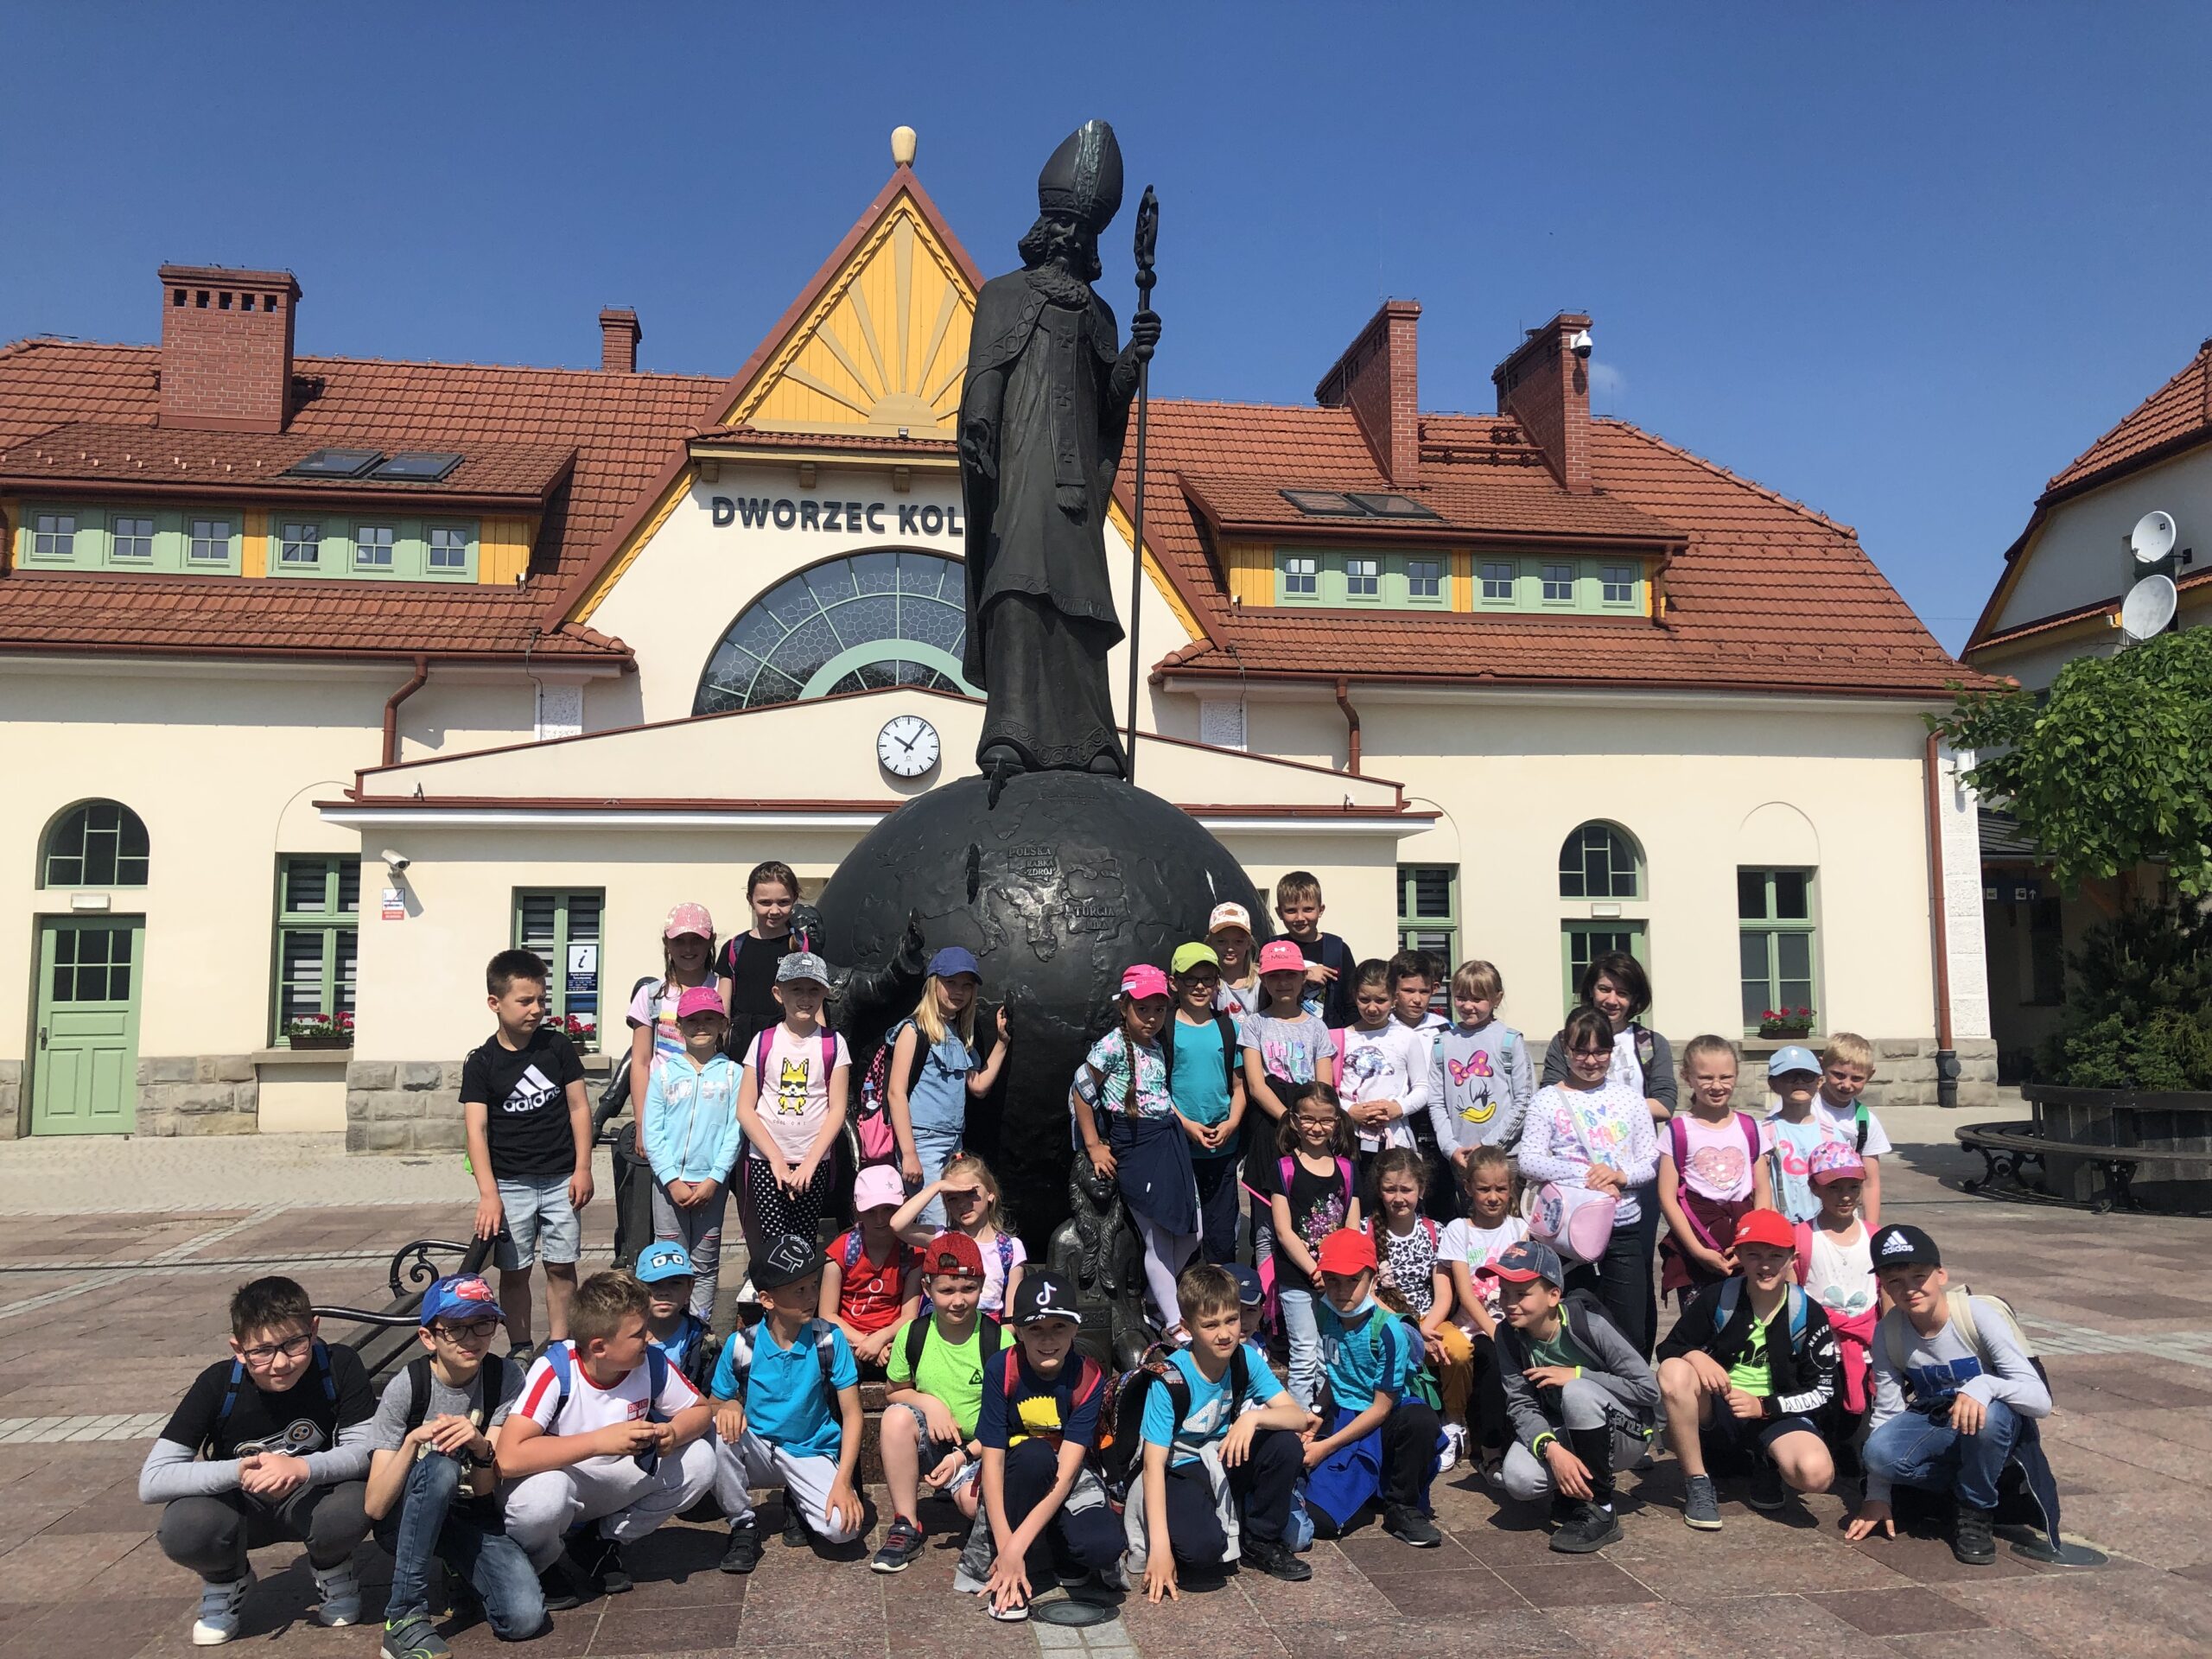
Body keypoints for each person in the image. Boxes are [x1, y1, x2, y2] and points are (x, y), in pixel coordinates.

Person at [138, 1275, 376, 1645]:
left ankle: (332, 1566)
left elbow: (366, 1451)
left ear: (314, 1329)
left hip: (313, 1497)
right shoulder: (217, 1384)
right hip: (242, 1503)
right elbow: (153, 1479)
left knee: (358, 1502)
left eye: (294, 1344)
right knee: (185, 1527)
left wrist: (302, 1467)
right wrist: (237, 1470)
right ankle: (226, 1579)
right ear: (238, 1349)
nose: (280, 1363)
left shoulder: (338, 1365)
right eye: (261, 1351)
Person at [499, 1271, 715, 1606]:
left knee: (700, 1459)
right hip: (563, 1480)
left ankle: (600, 1541)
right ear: (599, 1347)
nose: (649, 1339)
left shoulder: (649, 1362)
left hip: (613, 1479)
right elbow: (509, 1457)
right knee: (542, 1500)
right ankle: (541, 1563)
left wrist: (673, 1432)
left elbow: (700, 1410)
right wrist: (599, 1441)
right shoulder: (556, 1369)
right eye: (638, 1333)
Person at [1847, 1225, 2057, 1566]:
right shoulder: (1888, 1332)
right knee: (1878, 1453)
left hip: (1994, 1423)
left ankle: (1976, 1508)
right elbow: (1886, 1412)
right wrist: (1877, 1495)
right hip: (1936, 1421)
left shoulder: (1977, 1315)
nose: (1909, 1289)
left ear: (1941, 1275)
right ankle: (1969, 1486)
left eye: (1919, 1276)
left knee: (1988, 1417)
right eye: (1895, 1281)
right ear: (1883, 1286)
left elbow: (2040, 1401)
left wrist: (1985, 1386)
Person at [364, 1276, 543, 1659]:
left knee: (524, 1619)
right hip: (406, 1517)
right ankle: (404, 1616)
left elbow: (483, 1490)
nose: (471, 1339)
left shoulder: (505, 1377)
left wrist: (479, 1447)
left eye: (482, 1324)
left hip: (468, 1514)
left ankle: (457, 1566)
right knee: (441, 1469)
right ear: (429, 1338)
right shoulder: (408, 1386)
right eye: (456, 1328)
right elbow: (376, 1507)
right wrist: (412, 1443)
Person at [1126, 1264, 1316, 1597]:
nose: (1225, 1334)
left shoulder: (1245, 1360)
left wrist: (1252, 1419)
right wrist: (1160, 1549)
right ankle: (1201, 1521)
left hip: (1222, 1455)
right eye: (1210, 1325)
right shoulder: (1170, 1379)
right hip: (1180, 1467)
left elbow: (1297, 1417)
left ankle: (1261, 1539)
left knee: (1285, 1444)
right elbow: (1152, 1465)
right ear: (1187, 1327)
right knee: (1203, 1554)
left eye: (1231, 1320)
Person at [1656, 1209, 1840, 1530]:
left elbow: (1823, 1391)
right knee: (1674, 1371)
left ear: (1792, 1259)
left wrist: (1764, 1406)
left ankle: (1767, 1462)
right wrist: (1696, 1356)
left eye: (1775, 1256)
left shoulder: (1807, 1313)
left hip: (1777, 1412)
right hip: (1721, 1407)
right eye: (1754, 1255)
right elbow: (1669, 1348)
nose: (1765, 1265)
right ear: (1738, 1255)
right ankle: (1697, 1481)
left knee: (1816, 1474)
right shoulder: (1719, 1297)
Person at [1541, 950, 1675, 1358]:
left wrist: (1616, 1105)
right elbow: (1550, 1092)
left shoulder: (1649, 1044)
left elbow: (1665, 1102)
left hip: (1631, 1177)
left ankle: (1636, 1359)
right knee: (1576, 1264)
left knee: (1634, 1270)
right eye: (1604, 988)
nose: (1612, 999)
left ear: (1635, 999)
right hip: (1577, 1181)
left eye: (1622, 992)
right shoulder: (1564, 1039)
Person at [708, 1234, 867, 1573]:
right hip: (758, 1448)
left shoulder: (829, 1338)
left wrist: (843, 1481)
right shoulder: (741, 1345)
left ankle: (798, 1499)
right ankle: (743, 1523)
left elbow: (853, 1414)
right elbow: (713, 1404)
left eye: (814, 1286)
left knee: (843, 1531)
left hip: (811, 1449)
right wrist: (728, 1406)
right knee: (717, 1432)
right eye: (799, 1291)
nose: (811, 1297)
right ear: (767, 1300)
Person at [462, 950, 593, 1357]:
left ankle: (561, 1345)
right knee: (514, 1270)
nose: (536, 1009)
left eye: (541, 999)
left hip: (561, 1180)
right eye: (524, 1001)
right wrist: (489, 1194)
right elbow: (476, 1130)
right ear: (494, 1003)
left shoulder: (557, 1047)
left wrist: (583, 1168)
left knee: (561, 1266)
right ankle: (520, 1348)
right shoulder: (481, 1062)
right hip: (510, 1184)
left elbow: (579, 1108)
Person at [1490, 1240, 1659, 1554]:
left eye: (1522, 1294)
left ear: (1554, 1295)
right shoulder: (1507, 1335)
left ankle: (1601, 1509)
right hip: (1565, 1429)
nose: (1509, 1303)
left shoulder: (1589, 1325)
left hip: (1625, 1434)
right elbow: (1521, 1404)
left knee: (1577, 1392)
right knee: (1519, 1479)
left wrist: (1579, 1374)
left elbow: (1648, 1390)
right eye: (1504, 1292)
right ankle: (1573, 1491)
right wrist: (1552, 1450)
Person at [972, 1271, 1121, 1621]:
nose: (1048, 1339)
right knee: (1035, 1456)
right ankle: (1013, 1577)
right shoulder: (1001, 1368)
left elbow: (1067, 1473)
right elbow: (992, 1462)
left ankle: (1054, 1548)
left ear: (1075, 1328)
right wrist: (1009, 1547)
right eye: (1035, 1328)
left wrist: (1016, 1546)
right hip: (1018, 1473)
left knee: (1104, 1547)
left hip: (1065, 1475)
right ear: (1019, 1332)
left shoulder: (1088, 1376)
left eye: (1059, 1327)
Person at [1520, 1006, 1662, 1358]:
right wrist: (1586, 1176)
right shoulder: (1547, 1100)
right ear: (1566, 1049)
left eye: (1601, 1051)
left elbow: (1650, 1162)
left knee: (1630, 1329)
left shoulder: (1631, 1100)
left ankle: (1631, 1389)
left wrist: (1620, 1176)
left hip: (1622, 1228)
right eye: (1581, 1051)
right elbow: (1529, 1160)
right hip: (1567, 1232)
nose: (1591, 1060)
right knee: (1572, 1324)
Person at [1075, 963, 1200, 1341]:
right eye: (1142, 1008)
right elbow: (1081, 1090)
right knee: (1157, 1237)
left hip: (1168, 1141)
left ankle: (1153, 1298)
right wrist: (1094, 1145)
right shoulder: (1112, 1045)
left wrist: (1185, 1124)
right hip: (1136, 1143)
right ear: (1124, 1006)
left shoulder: (1156, 1045)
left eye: (1159, 1009)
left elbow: (1159, 1095)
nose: (1151, 1017)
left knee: (1192, 1231)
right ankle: (1173, 1321)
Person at [1300, 1228, 1445, 1548]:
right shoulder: (1326, 1314)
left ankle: (1402, 1507)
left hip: (1383, 1417)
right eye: (1333, 1280)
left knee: (1421, 1420)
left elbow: (1381, 1408)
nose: (1342, 1290)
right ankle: (1364, 1488)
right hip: (1344, 1415)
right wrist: (1316, 1412)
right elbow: (1336, 1370)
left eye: (1353, 1280)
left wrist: (1327, 1447)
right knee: (1320, 1521)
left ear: (1372, 1280)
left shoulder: (1389, 1331)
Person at [873, 1232, 998, 1573]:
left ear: (981, 1285)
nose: (958, 1301)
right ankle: (906, 1524)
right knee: (896, 1417)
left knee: (974, 1506)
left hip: (978, 1448)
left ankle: (968, 1501)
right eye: (947, 1290)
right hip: (932, 1440)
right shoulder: (913, 1334)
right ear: (927, 1289)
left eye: (968, 1289)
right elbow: (894, 1391)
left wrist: (967, 1455)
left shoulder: (997, 1340)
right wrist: (930, 1403)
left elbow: (1007, 1416)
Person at [732, 951, 851, 1262]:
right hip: (767, 1161)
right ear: (779, 993)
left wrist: (811, 1162)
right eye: (796, 989)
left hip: (813, 1161)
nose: (805, 998)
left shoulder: (834, 1044)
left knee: (805, 1240)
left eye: (813, 990)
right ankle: (776, 1292)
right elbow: (745, 1108)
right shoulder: (763, 1041)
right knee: (774, 1242)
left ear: (824, 994)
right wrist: (775, 1159)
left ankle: (802, 1291)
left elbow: (837, 1109)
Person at [885, 946, 1010, 1230]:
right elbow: (896, 1093)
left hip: (954, 1143)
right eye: (951, 982)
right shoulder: (914, 1030)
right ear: (933, 983)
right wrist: (909, 1153)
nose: (959, 991)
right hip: (922, 1141)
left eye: (966, 985)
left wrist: (1002, 1043)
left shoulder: (959, 1034)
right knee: (935, 1224)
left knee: (953, 1222)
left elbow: (978, 1086)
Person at [641, 985, 741, 1325]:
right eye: (693, 1020)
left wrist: (715, 1178)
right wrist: (671, 1180)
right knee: (670, 1259)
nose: (701, 1026)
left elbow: (734, 1132)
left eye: (709, 1019)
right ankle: (670, 1326)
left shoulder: (734, 1074)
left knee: (705, 1261)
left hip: (711, 1185)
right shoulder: (663, 1073)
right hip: (669, 1186)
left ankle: (700, 1327)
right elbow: (652, 1131)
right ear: (679, 1026)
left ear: (723, 1025)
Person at [1364, 1147, 1470, 1467]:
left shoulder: (1435, 1231)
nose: (1399, 1198)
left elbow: (1444, 1293)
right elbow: (1366, 1291)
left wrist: (1425, 1328)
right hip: (1386, 1320)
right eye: (1390, 1189)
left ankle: (1454, 1421)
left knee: (1459, 1349)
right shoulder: (1365, 1231)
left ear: (1421, 1190)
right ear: (1379, 1190)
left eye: (1406, 1189)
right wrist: (1410, 1330)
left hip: (1429, 1319)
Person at [1257, 1082, 1360, 1408]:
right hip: (1297, 1277)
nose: (1317, 1127)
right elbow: (1283, 1230)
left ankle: (1326, 1416)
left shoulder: (1347, 1169)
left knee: (1330, 1353)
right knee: (1303, 1353)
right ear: (1294, 1120)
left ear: (1337, 1122)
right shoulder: (1283, 1168)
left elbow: (1352, 1229)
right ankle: (1299, 1423)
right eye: (1309, 1119)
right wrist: (1315, 1269)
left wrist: (1334, 1272)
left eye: (1326, 1120)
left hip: (1337, 1280)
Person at [1240, 938, 1340, 1266]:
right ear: (1264, 980)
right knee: (1266, 1222)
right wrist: (1289, 1119)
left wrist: (1311, 1123)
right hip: (1271, 1125)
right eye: (1275, 976)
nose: (1283, 982)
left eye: (1290, 975)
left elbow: (1323, 1087)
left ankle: (1311, 1275)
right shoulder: (1255, 1024)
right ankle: (1268, 1291)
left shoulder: (1317, 1027)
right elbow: (1256, 1085)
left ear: (1302, 978)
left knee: (1307, 1211)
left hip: (1311, 1128)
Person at [1656, 1034, 1775, 1308]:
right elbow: (1667, 1197)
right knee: (1700, 1321)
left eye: (1726, 1077)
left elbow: (1763, 1191)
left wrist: (1751, 1243)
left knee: (1748, 1319)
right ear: (1687, 1077)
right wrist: (1697, 1251)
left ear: (1736, 1076)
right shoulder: (1678, 1131)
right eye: (1706, 1078)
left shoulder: (1750, 1128)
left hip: (1745, 1244)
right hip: (1696, 1242)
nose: (1717, 1086)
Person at [1440, 1146, 1526, 1484]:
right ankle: (1490, 1451)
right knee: (1492, 1358)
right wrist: (1496, 1332)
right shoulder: (1458, 1230)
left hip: (1514, 1322)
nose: (1493, 1197)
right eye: (1484, 1189)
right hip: (1475, 1328)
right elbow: (1465, 1292)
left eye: (1501, 1189)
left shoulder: (1520, 1229)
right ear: (1468, 1188)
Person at [1166, 942, 1246, 1265]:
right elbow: (1157, 1089)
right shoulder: (1165, 1029)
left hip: (1221, 1147)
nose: (1200, 986)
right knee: (1181, 1235)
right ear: (1174, 982)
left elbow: (1240, 1086)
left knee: (1221, 1235)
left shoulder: (1229, 1028)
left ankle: (1220, 1291)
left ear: (1217, 983)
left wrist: (1232, 1123)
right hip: (1178, 1146)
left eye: (1207, 979)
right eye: (1191, 979)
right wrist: (1185, 1124)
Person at [1334, 959, 1445, 1178]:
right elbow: (1329, 1091)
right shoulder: (1340, 1037)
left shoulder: (1406, 1037)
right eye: (1364, 999)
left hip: (1395, 1138)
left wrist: (1398, 1108)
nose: (1372, 1008)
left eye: (1381, 1000)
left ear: (1394, 998)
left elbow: (1423, 1087)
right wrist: (1350, 1110)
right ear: (1354, 995)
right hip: (1349, 1139)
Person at [625, 902, 717, 1148]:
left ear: (711, 940)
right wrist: (642, 1123)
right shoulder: (651, 995)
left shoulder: (724, 989)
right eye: (679, 941)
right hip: (664, 1113)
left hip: (713, 1111)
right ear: (666, 942)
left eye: (696, 940)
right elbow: (641, 1062)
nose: (688, 948)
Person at [891, 1153, 1027, 1319]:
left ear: (991, 1193)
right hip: (944, 1325)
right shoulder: (941, 1238)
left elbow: (1011, 1318)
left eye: (970, 1193)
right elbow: (897, 1225)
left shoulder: (1010, 1248)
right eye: (952, 1198)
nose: (962, 1204)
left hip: (987, 1328)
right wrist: (937, 1187)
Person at [1802, 1142, 1878, 1427]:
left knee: (1859, 1439)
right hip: (1817, 1355)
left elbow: (1886, 1296)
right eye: (1834, 1188)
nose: (1845, 1196)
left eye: (1853, 1187)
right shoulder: (1801, 1238)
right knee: (1820, 1429)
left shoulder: (1875, 1238)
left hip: (1867, 1354)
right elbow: (1792, 1297)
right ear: (1814, 1187)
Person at [1429, 959, 1532, 1166]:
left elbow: (1525, 1100)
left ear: (1497, 998)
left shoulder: (1509, 1041)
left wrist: (1488, 1145)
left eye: (1477, 999)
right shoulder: (1442, 1043)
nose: (1468, 1006)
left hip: (1505, 1157)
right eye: (1461, 998)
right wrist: (1450, 1147)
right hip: (1461, 1156)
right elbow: (1437, 1102)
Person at [822, 1165, 923, 1372]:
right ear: (857, 1210)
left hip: (892, 1339)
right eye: (870, 1211)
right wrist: (865, 1342)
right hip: (848, 1338)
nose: (880, 1219)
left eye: (888, 1209)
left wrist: (881, 1339)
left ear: (904, 1205)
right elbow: (827, 1314)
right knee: (841, 1365)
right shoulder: (841, 1249)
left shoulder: (912, 1252)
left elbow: (909, 1315)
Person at [714, 860, 799, 1058]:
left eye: (783, 902)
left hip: (791, 1047)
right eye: (765, 903)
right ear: (750, 900)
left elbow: (817, 1007)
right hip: (742, 1049)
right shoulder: (734, 948)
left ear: (795, 898)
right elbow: (723, 1010)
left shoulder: (804, 948)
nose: (774, 911)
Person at [1815, 1033, 1891, 1228]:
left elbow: (1870, 1182)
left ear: (1870, 1075)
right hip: (1798, 1212)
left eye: (1857, 1078)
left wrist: (1871, 1230)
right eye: (1838, 1075)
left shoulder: (1865, 1121)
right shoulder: (1803, 1106)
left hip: (1842, 1217)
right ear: (1822, 1066)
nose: (1846, 1085)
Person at [1764, 1046, 1841, 1225]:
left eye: (1807, 1076)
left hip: (1822, 1227)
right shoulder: (1763, 1133)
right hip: (1777, 1225)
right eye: (1789, 1076)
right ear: (1773, 1084)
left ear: (1819, 1082)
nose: (1799, 1082)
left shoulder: (1831, 1135)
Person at [1271, 870, 1357, 1029]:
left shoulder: (1338, 949)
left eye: (1308, 909)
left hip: (1330, 1035)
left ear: (1321, 910)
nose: (1300, 918)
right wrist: (1307, 974)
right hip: (1281, 1036)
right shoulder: (1272, 948)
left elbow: (1352, 1003)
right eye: (1291, 911)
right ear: (1279, 913)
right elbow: (1263, 990)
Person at [636, 1243, 712, 1385]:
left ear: (690, 1287)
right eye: (653, 1284)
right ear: (637, 1288)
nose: (664, 1292)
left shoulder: (704, 1341)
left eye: (675, 1283)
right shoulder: (619, 1335)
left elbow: (710, 1391)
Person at [1206, 901, 1262, 1020]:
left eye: (1238, 941)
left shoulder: (1262, 981)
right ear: (1210, 942)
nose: (1230, 948)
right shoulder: (1207, 984)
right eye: (1222, 941)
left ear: (1248, 943)